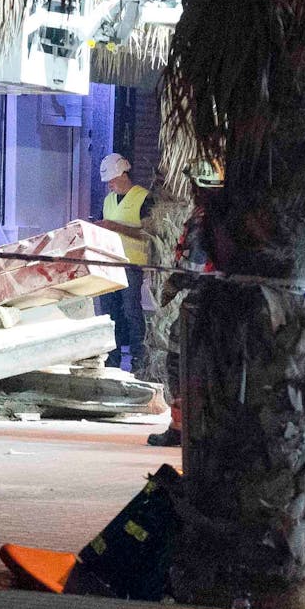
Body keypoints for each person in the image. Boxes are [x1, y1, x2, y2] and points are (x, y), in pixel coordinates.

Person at [148, 159, 222, 448]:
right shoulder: (229, 215)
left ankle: (181, 428)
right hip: (227, 300)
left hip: (202, 300)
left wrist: (172, 284)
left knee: (179, 360)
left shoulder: (203, 218)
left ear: (199, 186)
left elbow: (191, 266)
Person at [96, 153, 152, 370]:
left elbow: (149, 233)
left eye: (112, 180)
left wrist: (117, 227)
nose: (109, 185)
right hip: (109, 264)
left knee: (131, 311)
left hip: (131, 264)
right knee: (110, 313)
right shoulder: (108, 200)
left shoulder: (143, 198)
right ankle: (112, 359)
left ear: (123, 173)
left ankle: (139, 360)